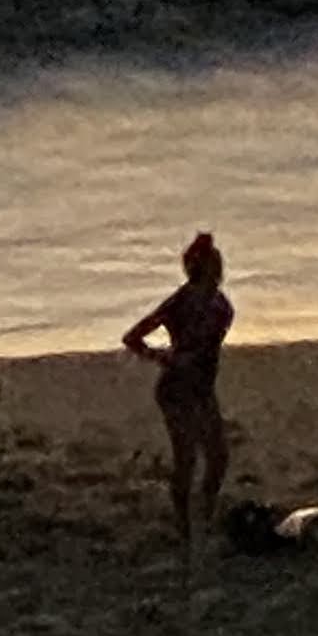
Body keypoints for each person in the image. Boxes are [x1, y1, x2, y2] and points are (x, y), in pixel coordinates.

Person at [121, 230, 234, 546]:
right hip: (177, 388)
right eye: (214, 265)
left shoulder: (220, 305)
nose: (219, 271)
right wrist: (163, 357)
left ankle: (204, 513)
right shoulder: (181, 302)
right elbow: (133, 336)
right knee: (187, 458)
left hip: (202, 387)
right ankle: (185, 525)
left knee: (218, 457)